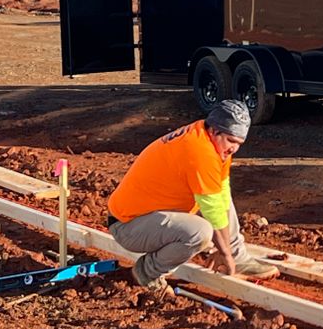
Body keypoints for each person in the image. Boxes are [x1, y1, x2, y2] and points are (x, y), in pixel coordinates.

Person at [107, 100, 278, 291]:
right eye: (231, 141)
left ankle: (239, 257)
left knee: (222, 196)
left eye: (239, 143)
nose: (234, 149)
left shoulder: (211, 141)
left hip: (155, 213)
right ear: (215, 131)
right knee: (200, 232)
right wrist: (224, 253)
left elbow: (220, 193)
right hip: (128, 225)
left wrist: (229, 251)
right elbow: (211, 210)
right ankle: (147, 272)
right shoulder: (199, 151)